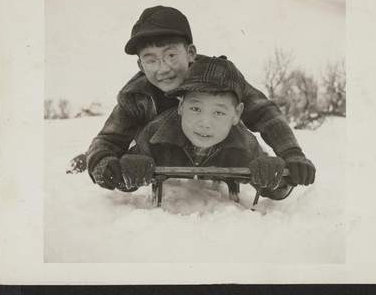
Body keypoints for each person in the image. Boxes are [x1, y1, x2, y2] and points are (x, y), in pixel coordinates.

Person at [86, 5, 315, 191]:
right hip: (155, 155)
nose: (163, 68)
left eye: (171, 55)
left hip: (216, 153)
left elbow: (265, 113)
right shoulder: (135, 95)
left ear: (191, 53)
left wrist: (292, 155)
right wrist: (103, 162)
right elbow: (107, 140)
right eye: (151, 60)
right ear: (140, 65)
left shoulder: (221, 80)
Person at [106, 56, 294, 201]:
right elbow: (126, 181)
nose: (205, 123)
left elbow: (275, 190)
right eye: (195, 109)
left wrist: (276, 176)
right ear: (180, 106)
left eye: (218, 113)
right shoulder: (156, 135)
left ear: (236, 114)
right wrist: (129, 167)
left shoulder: (244, 144)